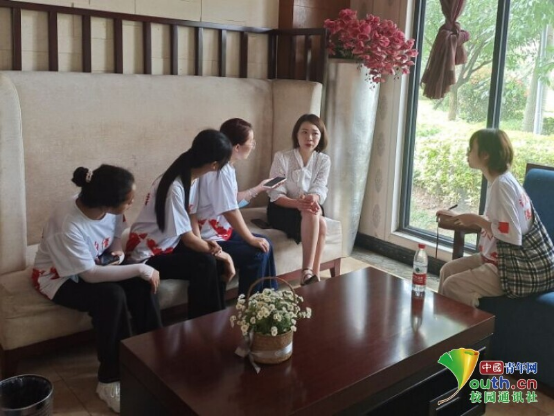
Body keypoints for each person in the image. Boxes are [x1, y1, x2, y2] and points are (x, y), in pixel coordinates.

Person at [32, 164, 162, 413]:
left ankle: (153, 354)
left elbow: (115, 236)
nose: (132, 203)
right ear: (108, 203)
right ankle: (109, 379)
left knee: (141, 284)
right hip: (58, 277)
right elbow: (89, 276)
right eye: (128, 200)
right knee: (112, 297)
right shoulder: (67, 223)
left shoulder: (108, 210)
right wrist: (140, 268)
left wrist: (118, 251)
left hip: (94, 264)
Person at [126, 129, 236, 319]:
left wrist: (205, 245)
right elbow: (188, 240)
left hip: (169, 245)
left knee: (211, 261)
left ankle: (214, 322)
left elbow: (191, 215)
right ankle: (202, 324)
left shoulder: (191, 176)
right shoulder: (174, 187)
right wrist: (225, 255)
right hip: (148, 254)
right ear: (214, 165)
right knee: (206, 262)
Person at [438, 128, 554, 306]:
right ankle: (445, 321)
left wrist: (475, 219)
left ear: (485, 155)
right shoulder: (502, 180)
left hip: (511, 268)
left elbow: (512, 235)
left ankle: (472, 324)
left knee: (453, 285)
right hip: (496, 259)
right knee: (447, 270)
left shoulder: (501, 186)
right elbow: (500, 222)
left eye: (471, 149)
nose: (467, 153)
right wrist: (459, 216)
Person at [195, 118, 277, 295]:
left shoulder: (227, 166)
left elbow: (231, 200)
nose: (253, 146)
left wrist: (259, 188)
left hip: (222, 232)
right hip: (210, 237)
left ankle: (269, 300)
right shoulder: (220, 170)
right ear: (237, 147)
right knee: (257, 253)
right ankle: (249, 305)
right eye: (251, 142)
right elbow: (229, 210)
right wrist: (250, 238)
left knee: (267, 244)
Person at [267, 114, 330, 286]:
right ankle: (309, 272)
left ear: (321, 137)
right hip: (282, 207)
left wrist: (313, 198)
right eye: (304, 132)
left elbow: (320, 187)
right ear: (297, 134)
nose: (309, 137)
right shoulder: (281, 157)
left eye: (315, 133)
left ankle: (311, 276)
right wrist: (297, 203)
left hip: (308, 207)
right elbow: (274, 192)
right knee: (314, 216)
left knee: (315, 216)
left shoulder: (324, 160)